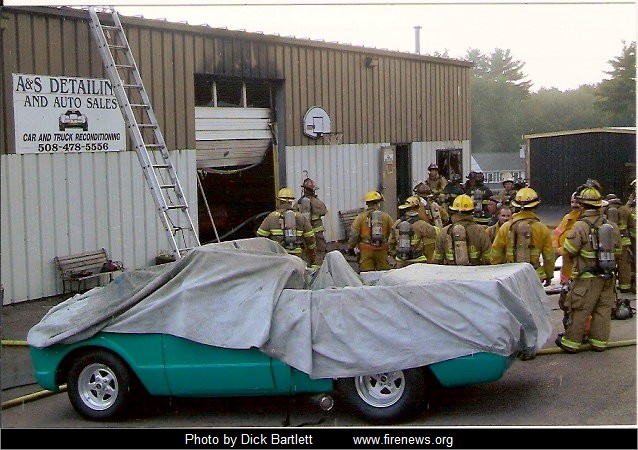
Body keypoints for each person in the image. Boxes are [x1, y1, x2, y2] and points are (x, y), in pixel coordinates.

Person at [556, 186, 622, 353]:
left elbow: (570, 250)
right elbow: (619, 252)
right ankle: (599, 343)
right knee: (603, 311)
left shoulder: (580, 226)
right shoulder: (611, 226)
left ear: (583, 206)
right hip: (608, 277)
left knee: (580, 310)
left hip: (586, 279)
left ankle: (571, 343)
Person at [490, 187, 555, 286]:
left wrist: (498, 274)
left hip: (511, 276)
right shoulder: (542, 229)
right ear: (536, 205)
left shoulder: (506, 227)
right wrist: (549, 275)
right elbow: (549, 257)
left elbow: (496, 253)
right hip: (534, 276)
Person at [257, 187, 316, 267]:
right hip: (297, 258)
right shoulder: (301, 217)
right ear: (292, 202)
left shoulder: (271, 217)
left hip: (278, 258)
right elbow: (310, 238)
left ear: (279, 201)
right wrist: (311, 253)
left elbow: (260, 236)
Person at [432, 194, 492, 265]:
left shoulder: (444, 232)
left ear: (453, 212)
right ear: (472, 211)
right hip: (475, 271)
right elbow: (489, 258)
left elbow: (437, 260)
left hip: (451, 271)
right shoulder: (480, 231)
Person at [347, 191, 394, 272]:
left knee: (367, 274)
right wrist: (392, 249)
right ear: (378, 203)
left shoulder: (360, 217)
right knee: (384, 273)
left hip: (366, 249)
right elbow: (393, 232)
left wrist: (351, 247)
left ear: (367, 203)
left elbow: (354, 234)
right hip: (382, 249)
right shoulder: (386, 217)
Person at [388, 196, 440, 267]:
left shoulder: (397, 224)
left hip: (400, 261)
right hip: (417, 260)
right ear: (418, 208)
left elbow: (390, 242)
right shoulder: (422, 224)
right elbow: (435, 234)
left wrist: (395, 255)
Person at [553, 191, 584, 286]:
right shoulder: (567, 217)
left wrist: (562, 250)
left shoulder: (583, 221)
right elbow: (557, 233)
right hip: (566, 263)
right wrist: (556, 247)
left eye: (577, 202)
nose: (574, 205)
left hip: (579, 265)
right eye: (572, 202)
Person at [297, 177, 328, 265]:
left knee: (305, 251)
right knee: (319, 251)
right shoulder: (318, 203)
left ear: (304, 189)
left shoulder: (299, 202)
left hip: (304, 232)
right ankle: (317, 267)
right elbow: (324, 211)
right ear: (313, 190)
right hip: (317, 233)